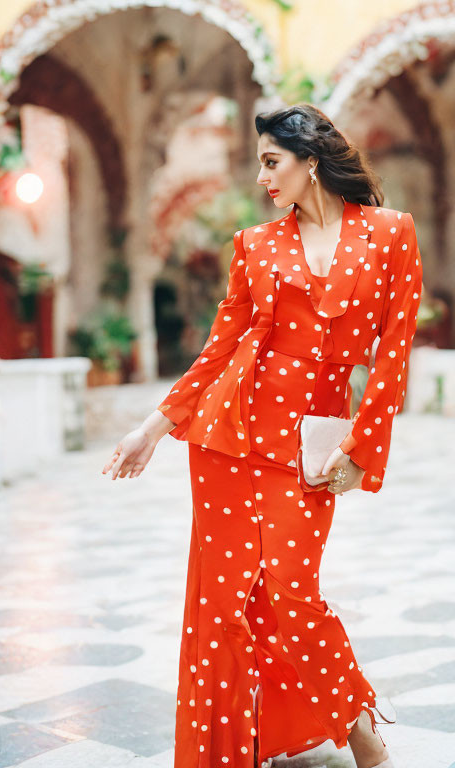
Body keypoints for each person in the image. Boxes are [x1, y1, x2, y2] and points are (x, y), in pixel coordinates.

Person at [102, 103, 423, 768]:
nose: (261, 176)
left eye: (272, 162)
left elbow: (393, 356)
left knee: (292, 595)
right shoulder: (255, 245)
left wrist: (361, 448)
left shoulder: (392, 235)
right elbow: (220, 351)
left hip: (310, 448)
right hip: (230, 439)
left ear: (311, 162)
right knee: (228, 609)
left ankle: (366, 739)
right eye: (259, 163)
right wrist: (154, 427)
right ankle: (245, 748)